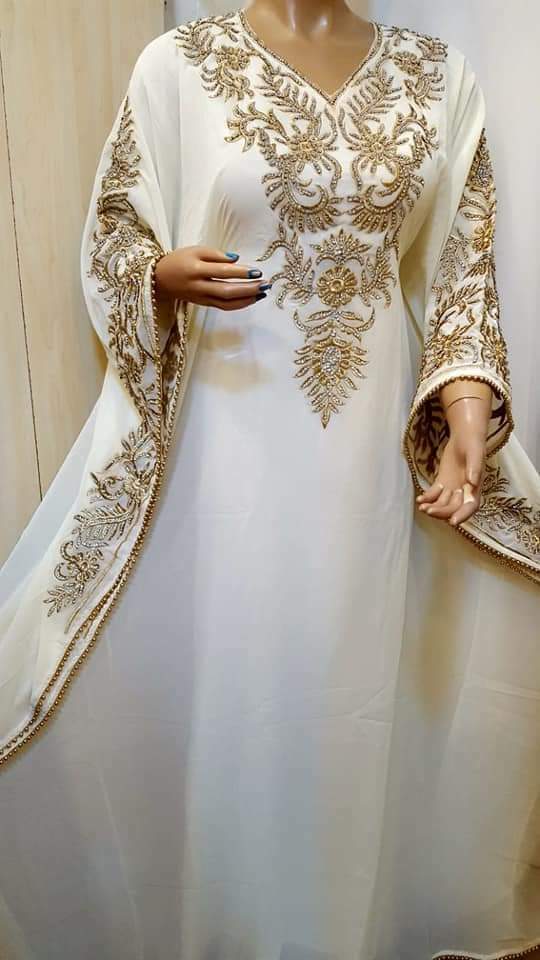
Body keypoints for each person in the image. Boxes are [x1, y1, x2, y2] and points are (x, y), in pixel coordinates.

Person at [0, 2, 538, 957]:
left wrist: (465, 402)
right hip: (228, 434)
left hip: (371, 445)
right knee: (242, 666)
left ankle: (350, 922)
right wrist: (156, 274)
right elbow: (116, 229)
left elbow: (462, 267)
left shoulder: (437, 78)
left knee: (358, 668)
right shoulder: (180, 65)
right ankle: (231, 923)